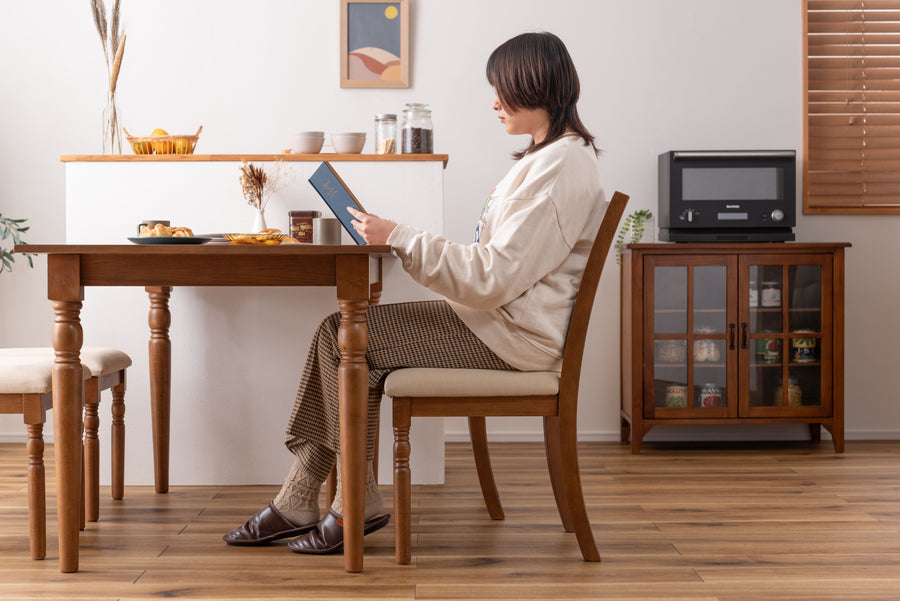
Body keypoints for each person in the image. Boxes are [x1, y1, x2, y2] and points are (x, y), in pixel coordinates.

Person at [224, 31, 608, 554]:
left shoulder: (559, 167)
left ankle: (334, 502)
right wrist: (396, 235)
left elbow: (492, 277)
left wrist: (400, 236)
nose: (494, 103)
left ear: (536, 86)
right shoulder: (550, 160)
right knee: (338, 332)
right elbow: (498, 268)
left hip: (510, 337)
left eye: (503, 89)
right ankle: (319, 499)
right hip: (496, 323)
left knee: (346, 334)